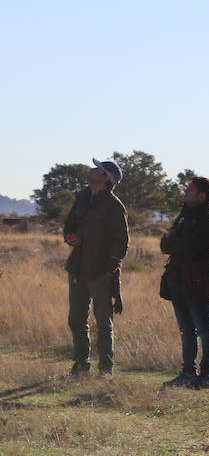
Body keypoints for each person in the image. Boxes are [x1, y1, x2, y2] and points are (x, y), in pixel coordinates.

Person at [64, 159, 130, 378]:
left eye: (98, 169)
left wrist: (108, 270)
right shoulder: (82, 198)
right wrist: (69, 237)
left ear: (106, 179)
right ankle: (81, 366)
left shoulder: (114, 205)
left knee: (103, 322)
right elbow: (69, 226)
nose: (91, 170)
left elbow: (122, 242)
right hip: (78, 268)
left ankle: (105, 369)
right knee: (76, 319)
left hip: (101, 272)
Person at [160, 175, 209, 389]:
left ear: (202, 196)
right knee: (187, 329)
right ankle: (188, 373)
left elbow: (192, 247)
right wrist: (176, 241)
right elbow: (165, 245)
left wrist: (175, 240)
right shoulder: (184, 216)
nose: (185, 193)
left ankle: (207, 375)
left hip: (198, 282)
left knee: (205, 329)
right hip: (177, 279)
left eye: (190, 190)